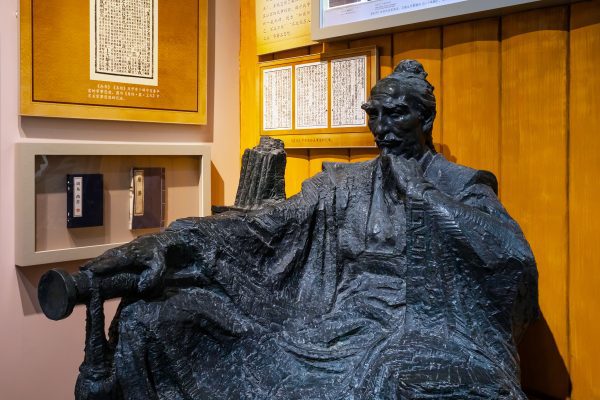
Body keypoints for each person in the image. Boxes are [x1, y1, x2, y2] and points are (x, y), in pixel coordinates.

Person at [70, 60, 539, 399]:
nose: (381, 126)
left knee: (392, 380)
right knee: (164, 318)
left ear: (426, 119)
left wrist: (420, 195)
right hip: (335, 321)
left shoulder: (460, 184)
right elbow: (263, 227)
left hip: (420, 330)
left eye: (395, 114)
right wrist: (171, 240)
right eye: (373, 113)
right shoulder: (344, 184)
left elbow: (510, 258)